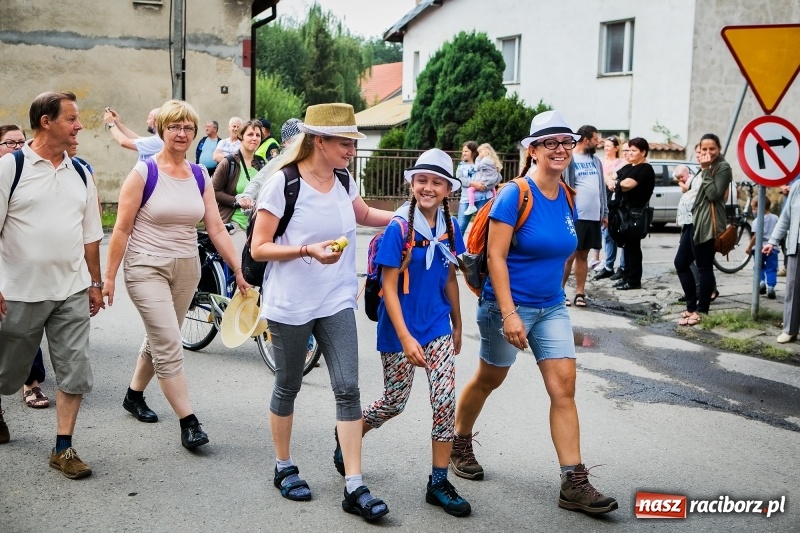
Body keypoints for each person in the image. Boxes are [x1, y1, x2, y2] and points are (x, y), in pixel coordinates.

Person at [449, 110, 618, 515]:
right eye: (550, 142)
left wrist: (557, 295)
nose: (560, 149)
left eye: (567, 142)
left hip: (551, 308)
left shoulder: (568, 196)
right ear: (533, 149)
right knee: (490, 377)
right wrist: (509, 314)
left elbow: (563, 252)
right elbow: (497, 256)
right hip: (507, 306)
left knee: (564, 389)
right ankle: (459, 440)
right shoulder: (514, 194)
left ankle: (573, 481)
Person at [250, 103, 393, 521]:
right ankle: (284, 466)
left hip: (336, 300)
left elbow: (362, 214)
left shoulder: (344, 179)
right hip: (291, 304)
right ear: (319, 141)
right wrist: (306, 250)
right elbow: (260, 247)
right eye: (345, 142)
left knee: (349, 387)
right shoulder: (283, 184)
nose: (351, 150)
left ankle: (354, 484)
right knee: (288, 383)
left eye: (352, 142)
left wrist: (409, 218)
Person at [102, 100, 248, 449]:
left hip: (187, 267)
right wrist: (107, 278)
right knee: (169, 342)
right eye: (174, 127)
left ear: (195, 134)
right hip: (145, 266)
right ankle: (189, 421)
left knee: (160, 337)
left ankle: (133, 395)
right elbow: (120, 230)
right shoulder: (144, 173)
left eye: (188, 128)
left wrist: (239, 271)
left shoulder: (199, 175)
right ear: (162, 130)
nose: (181, 134)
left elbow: (215, 227)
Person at [360, 149, 471, 517]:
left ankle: (438, 481)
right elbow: (389, 287)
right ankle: (351, 431)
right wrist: (406, 338)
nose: (427, 187)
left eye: (436, 181)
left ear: (447, 190)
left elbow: (450, 276)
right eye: (421, 180)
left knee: (444, 401)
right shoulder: (399, 228)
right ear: (412, 184)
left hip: (436, 325)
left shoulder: (450, 227)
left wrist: (457, 322)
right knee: (395, 401)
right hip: (400, 330)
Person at [0, 91, 105, 479]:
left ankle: (63, 447)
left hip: (71, 290)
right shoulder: (11, 168)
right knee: (7, 372)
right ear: (47, 122)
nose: (79, 126)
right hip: (19, 292)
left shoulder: (82, 172)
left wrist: (95, 282)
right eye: (72, 119)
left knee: (75, 368)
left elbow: (91, 234)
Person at [0, 125, 50, 409]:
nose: (18, 148)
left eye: (22, 142)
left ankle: (31, 383)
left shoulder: (30, 176)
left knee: (27, 328)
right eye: (10, 143)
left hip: (25, 271)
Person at [674, 133, 732, 326]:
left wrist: (706, 170)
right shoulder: (702, 168)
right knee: (681, 263)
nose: (707, 152)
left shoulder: (722, 167)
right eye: (704, 149)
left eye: (711, 149)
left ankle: (701, 310)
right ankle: (691, 306)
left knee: (704, 266)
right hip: (692, 222)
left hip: (706, 224)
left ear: (719, 149)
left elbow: (714, 194)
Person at [562, 125, 606, 307]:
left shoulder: (596, 161)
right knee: (569, 255)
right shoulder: (570, 158)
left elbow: (601, 189)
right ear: (586, 139)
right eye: (595, 139)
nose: (598, 143)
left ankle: (580, 293)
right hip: (575, 215)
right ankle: (559, 291)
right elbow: (564, 187)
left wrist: (605, 212)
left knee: (583, 255)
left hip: (593, 216)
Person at [212, 119, 265, 255]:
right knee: (241, 270)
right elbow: (213, 191)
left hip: (257, 225)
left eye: (258, 135)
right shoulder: (229, 163)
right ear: (241, 136)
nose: (254, 138)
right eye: (250, 134)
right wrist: (237, 201)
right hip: (234, 224)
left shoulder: (262, 164)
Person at [611, 137, 655, 291]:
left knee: (634, 247)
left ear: (643, 152)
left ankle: (634, 280)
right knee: (628, 246)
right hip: (625, 211)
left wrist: (617, 183)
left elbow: (625, 184)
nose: (630, 153)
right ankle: (627, 276)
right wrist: (617, 182)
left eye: (634, 150)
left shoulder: (645, 168)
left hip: (635, 213)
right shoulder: (631, 166)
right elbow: (614, 177)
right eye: (629, 150)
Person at [237, 118, 302, 211]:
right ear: (285, 143)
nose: (298, 145)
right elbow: (260, 179)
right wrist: (247, 196)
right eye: (294, 140)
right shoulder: (281, 160)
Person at [765, 179, 800, 343]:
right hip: (797, 244)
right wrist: (772, 241)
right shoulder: (797, 187)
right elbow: (786, 217)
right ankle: (790, 329)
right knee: (792, 289)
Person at [593, 138, 628, 281]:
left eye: (609, 146)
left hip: (617, 202)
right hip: (602, 199)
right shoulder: (599, 160)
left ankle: (623, 267)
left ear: (615, 148)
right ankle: (608, 266)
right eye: (605, 146)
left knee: (621, 236)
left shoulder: (621, 163)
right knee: (606, 235)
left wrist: (607, 177)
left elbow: (614, 179)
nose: (606, 148)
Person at [456, 142, 500, 236]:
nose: (463, 153)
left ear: (473, 152)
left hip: (484, 199)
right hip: (467, 200)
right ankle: (456, 250)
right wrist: (474, 184)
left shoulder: (484, 161)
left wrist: (487, 185)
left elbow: (497, 176)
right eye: (463, 151)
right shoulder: (461, 165)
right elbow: (459, 179)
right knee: (460, 227)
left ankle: (480, 250)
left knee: (483, 227)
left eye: (466, 151)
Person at [746, 196, 779, 299]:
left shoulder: (756, 221)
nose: (753, 210)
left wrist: (749, 247)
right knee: (772, 268)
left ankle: (761, 282)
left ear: (761, 208)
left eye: (754, 208)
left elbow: (755, 236)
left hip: (758, 248)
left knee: (758, 267)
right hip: (772, 248)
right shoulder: (775, 218)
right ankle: (771, 287)